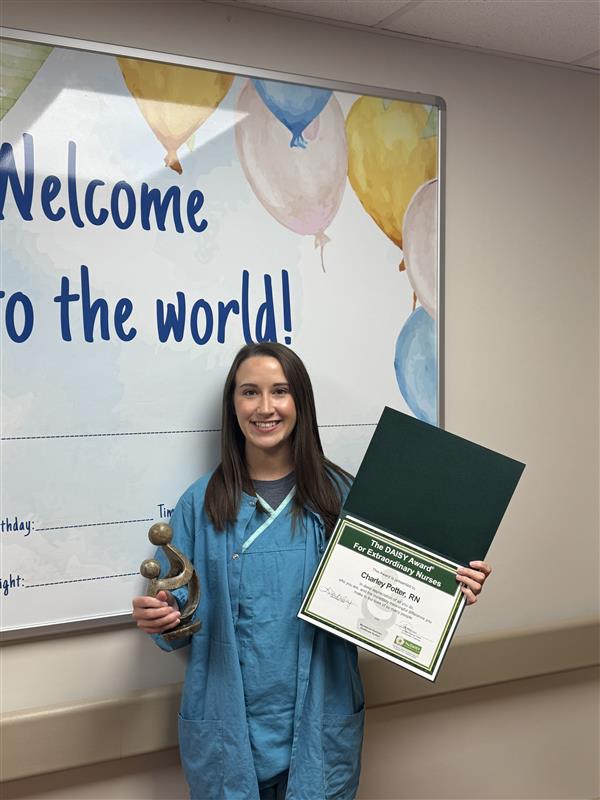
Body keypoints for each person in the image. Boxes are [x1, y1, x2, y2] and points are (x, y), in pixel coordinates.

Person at [133, 342, 491, 800]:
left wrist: (450, 585)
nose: (265, 407)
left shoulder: (344, 497)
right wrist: (160, 618)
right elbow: (178, 617)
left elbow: (393, 595)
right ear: (233, 405)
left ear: (300, 402)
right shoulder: (199, 504)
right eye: (249, 393)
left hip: (321, 728)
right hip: (227, 735)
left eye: (280, 392)